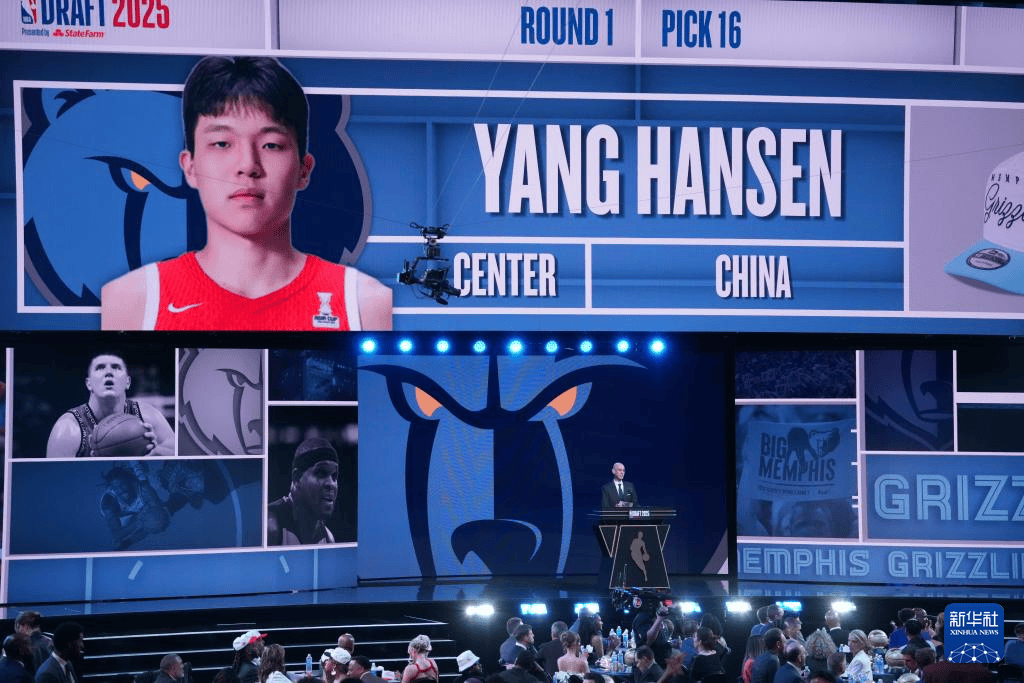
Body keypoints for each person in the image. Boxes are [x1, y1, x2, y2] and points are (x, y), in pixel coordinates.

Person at [101, 56, 392, 332]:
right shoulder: (133, 302)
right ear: (190, 167)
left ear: (304, 170)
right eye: (222, 143)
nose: (248, 165)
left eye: (271, 145)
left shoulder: (363, 303)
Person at [46, 354, 174, 458]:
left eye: (116, 367)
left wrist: (155, 453)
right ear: (89, 384)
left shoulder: (147, 416)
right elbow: (54, 479)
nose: (108, 372)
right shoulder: (68, 428)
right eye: (100, 368)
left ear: (128, 382)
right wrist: (96, 467)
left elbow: (180, 460)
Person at [268, 437, 340, 545]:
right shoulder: (269, 526)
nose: (331, 484)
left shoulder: (328, 538)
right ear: (297, 478)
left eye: (334, 476)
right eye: (321, 473)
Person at [100, 463, 170, 549]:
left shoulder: (144, 489)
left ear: (129, 482)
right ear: (111, 488)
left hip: (143, 503)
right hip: (123, 514)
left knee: (157, 520)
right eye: (115, 488)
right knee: (117, 540)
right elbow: (116, 535)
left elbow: (158, 515)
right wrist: (139, 519)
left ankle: (128, 543)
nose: (120, 490)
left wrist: (129, 542)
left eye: (122, 485)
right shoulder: (108, 502)